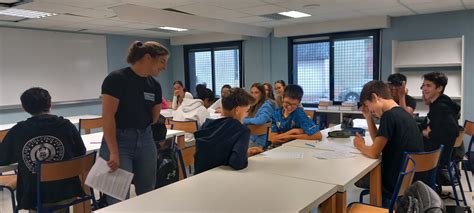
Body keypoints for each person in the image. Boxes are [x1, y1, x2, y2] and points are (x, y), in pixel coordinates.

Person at [100, 41, 169, 204]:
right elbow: (108, 117)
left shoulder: (154, 85)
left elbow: (154, 118)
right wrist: (114, 152)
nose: (164, 67)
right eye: (162, 61)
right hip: (119, 141)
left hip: (145, 139)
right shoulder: (116, 79)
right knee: (117, 198)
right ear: (147, 57)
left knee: (147, 192)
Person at [0, 87, 86, 211]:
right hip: (67, 192)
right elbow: (81, 152)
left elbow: (3, 158)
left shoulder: (18, 131)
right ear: (50, 103)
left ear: (24, 108)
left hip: (34, 196)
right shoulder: (66, 126)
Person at [353, 80, 423, 202]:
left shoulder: (389, 116)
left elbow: (374, 152)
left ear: (375, 97)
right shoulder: (401, 112)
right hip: (411, 177)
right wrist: (368, 117)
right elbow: (378, 142)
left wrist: (360, 145)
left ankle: (379, 206)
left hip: (396, 181)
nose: (370, 110)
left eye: (368, 106)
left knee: (359, 178)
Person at [194, 88, 263, 174]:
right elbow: (237, 163)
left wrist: (244, 151)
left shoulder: (206, 124)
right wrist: (244, 153)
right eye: (247, 111)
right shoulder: (242, 131)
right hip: (222, 180)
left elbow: (217, 151)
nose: (247, 114)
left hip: (199, 177)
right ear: (237, 110)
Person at [419, 72, 460, 184]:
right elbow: (429, 124)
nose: (424, 89)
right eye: (423, 85)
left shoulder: (441, 107)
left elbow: (453, 131)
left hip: (436, 156)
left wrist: (429, 134)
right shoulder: (438, 103)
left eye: (428, 86)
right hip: (435, 152)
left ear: (439, 88)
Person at [243, 83, 276, 148]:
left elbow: (260, 120)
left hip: (260, 141)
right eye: (252, 93)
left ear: (262, 94)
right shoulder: (254, 105)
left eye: (256, 93)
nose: (253, 95)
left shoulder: (267, 105)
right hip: (252, 138)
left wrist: (243, 120)